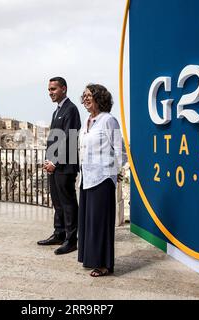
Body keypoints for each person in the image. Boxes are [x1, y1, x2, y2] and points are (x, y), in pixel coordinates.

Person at [78, 83, 127, 276]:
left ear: (100, 98)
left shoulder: (109, 120)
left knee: (100, 223)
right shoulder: (87, 121)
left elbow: (120, 150)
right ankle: (91, 258)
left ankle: (104, 264)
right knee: (89, 222)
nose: (86, 98)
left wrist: (113, 171)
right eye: (84, 96)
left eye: (90, 95)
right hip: (87, 178)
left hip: (102, 178)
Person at [37, 77, 81, 255]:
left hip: (65, 166)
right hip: (54, 166)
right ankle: (59, 233)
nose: (50, 93)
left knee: (68, 203)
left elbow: (70, 138)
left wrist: (55, 162)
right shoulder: (57, 111)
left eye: (53, 89)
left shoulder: (71, 109)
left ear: (64, 89)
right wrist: (49, 161)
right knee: (57, 202)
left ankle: (71, 240)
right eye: (49, 89)